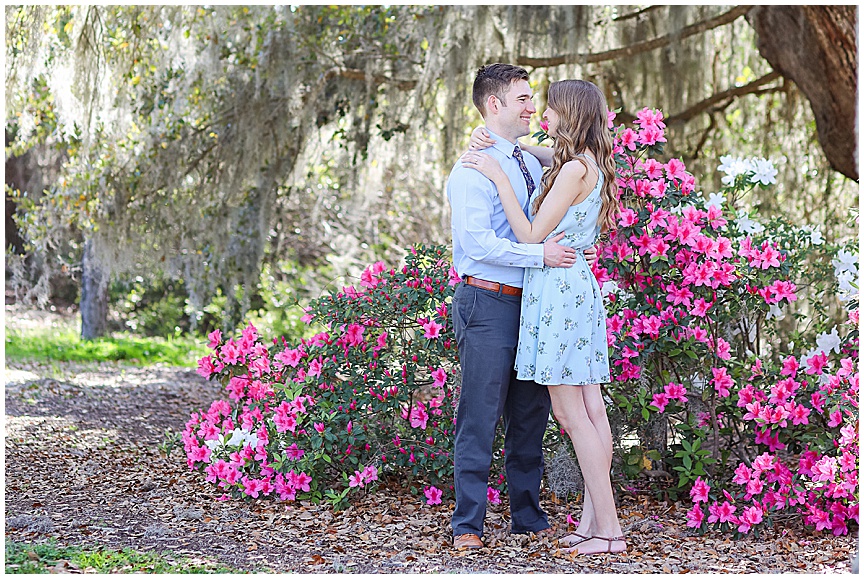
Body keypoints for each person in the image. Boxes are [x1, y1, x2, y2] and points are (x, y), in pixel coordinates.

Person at [461, 79, 626, 555]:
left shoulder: (574, 168)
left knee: (572, 415)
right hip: (573, 289)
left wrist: (495, 174)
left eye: (549, 108)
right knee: (592, 410)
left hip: (558, 293)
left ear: (568, 115)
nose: (541, 114)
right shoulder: (585, 162)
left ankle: (608, 530)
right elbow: (530, 152)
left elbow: (531, 233)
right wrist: (494, 144)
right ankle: (595, 524)